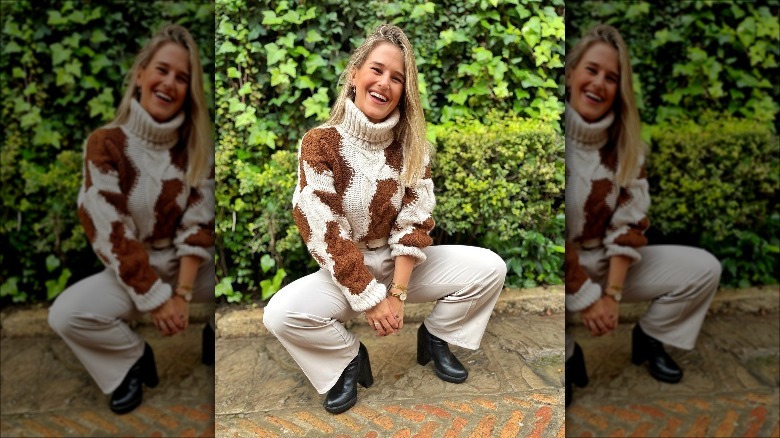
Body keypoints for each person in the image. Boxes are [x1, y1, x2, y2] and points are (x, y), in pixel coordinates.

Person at [263, 24, 507, 415]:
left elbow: (415, 222)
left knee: (490, 268)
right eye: (376, 70)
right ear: (355, 74)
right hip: (347, 269)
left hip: (397, 264)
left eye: (397, 78)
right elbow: (323, 230)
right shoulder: (319, 143)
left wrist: (397, 293)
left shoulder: (412, 147)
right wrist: (369, 299)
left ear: (404, 92)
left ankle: (437, 337)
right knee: (280, 314)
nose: (384, 83)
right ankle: (346, 358)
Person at [48, 24, 215, 415]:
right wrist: (157, 300)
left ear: (189, 92)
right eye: (162, 70)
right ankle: (131, 360)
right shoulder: (105, 143)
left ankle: (214, 330)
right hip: (136, 265)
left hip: (189, 267)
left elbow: (199, 225)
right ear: (140, 74)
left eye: (182, 78)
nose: (169, 83)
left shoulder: (196, 147)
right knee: (66, 314)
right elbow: (109, 230)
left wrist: (183, 295)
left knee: (229, 270)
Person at [563, 24, 722, 407]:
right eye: (592, 69)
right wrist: (587, 300)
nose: (599, 83)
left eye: (611, 77)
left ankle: (651, 336)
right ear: (570, 73)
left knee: (704, 268)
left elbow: (629, 225)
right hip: (564, 268)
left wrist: (613, 296)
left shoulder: (627, 148)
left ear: (620, 91)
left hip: (603, 258)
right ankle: (568, 354)